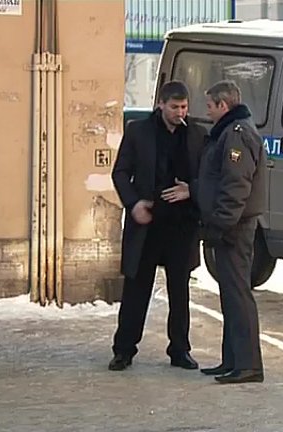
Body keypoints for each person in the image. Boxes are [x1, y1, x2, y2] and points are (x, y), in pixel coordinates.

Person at [108, 80, 207, 370]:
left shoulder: (197, 134)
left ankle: (180, 350)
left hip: (182, 225)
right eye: (174, 107)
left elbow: (208, 175)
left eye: (184, 107)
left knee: (180, 290)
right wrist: (134, 204)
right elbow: (120, 172)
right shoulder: (138, 131)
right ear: (161, 104)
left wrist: (191, 190)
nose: (180, 113)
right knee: (136, 290)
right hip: (148, 223)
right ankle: (124, 350)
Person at [194, 80, 267, 384]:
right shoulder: (229, 131)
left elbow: (236, 184)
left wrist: (221, 223)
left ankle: (248, 364)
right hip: (229, 224)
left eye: (210, 106)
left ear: (223, 105)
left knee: (238, 294)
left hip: (234, 226)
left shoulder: (237, 134)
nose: (207, 112)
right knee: (230, 294)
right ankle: (232, 360)